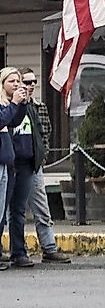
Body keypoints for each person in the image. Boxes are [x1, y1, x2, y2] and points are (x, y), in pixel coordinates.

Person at [18, 69, 71, 263]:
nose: (30, 86)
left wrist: (41, 157)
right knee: (14, 212)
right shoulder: (9, 106)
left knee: (42, 209)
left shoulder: (39, 107)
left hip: (33, 165)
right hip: (14, 165)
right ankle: (18, 251)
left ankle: (49, 248)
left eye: (33, 82)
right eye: (26, 82)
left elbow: (45, 135)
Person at [0, 67, 36, 268]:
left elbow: (14, 120)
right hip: (5, 161)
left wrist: (21, 104)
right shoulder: (2, 104)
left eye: (18, 81)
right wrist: (14, 103)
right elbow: (2, 120)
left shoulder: (9, 104)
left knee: (15, 210)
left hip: (13, 162)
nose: (17, 85)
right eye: (12, 81)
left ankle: (18, 252)